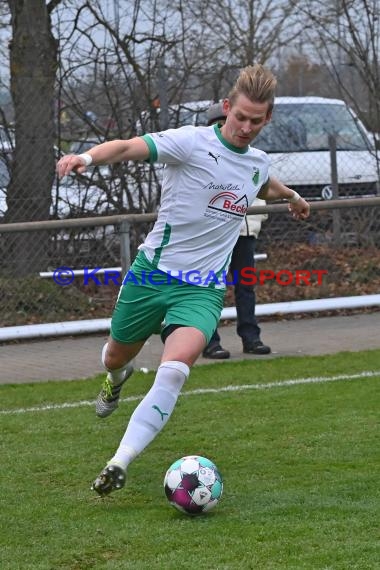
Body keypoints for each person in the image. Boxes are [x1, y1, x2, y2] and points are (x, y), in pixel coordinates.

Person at [57, 64, 310, 497]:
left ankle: (119, 461)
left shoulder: (257, 161)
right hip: (151, 276)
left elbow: (261, 182)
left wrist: (291, 196)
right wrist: (86, 157)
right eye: (240, 117)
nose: (246, 127)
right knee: (115, 357)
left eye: (256, 120)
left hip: (202, 288)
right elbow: (126, 147)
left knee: (174, 372)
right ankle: (116, 381)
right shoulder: (190, 142)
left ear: (267, 119)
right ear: (226, 109)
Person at [203, 102, 296, 358]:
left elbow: (263, 188)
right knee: (211, 287)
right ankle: (209, 340)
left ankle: (250, 337)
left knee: (245, 285)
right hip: (215, 235)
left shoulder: (252, 158)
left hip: (243, 233)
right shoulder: (205, 157)